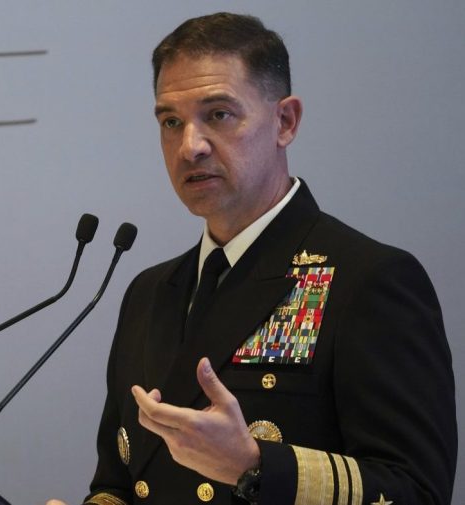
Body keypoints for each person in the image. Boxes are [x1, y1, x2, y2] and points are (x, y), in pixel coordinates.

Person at [48, 12, 456, 505]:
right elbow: (119, 481)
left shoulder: (366, 279)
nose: (189, 147)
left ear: (285, 122)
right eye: (171, 122)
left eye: (218, 114)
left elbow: (416, 491)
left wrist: (256, 467)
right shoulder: (149, 292)